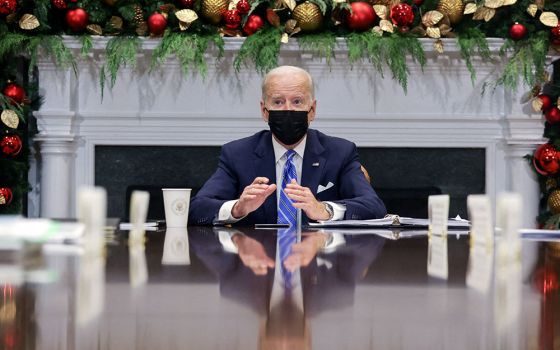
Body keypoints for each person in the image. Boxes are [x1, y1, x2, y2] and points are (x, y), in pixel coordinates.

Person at [189, 65, 386, 226]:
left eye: (297, 101)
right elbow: (198, 208)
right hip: (259, 264)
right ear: (264, 111)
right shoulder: (237, 154)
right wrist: (238, 208)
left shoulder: (340, 152)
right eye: (278, 102)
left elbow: (373, 206)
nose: (288, 109)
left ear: (312, 110)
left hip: (319, 264)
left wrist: (323, 210)